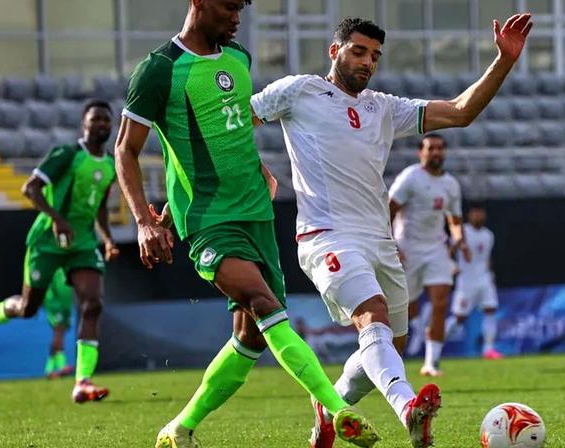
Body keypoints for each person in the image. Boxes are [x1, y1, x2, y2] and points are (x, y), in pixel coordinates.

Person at [250, 13, 532, 448]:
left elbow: (460, 112)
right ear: (335, 51)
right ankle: (408, 409)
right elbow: (234, 126)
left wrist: (504, 61)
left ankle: (330, 408)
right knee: (372, 316)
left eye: (375, 56)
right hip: (326, 234)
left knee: (390, 345)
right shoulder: (300, 90)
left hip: (380, 242)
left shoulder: (383, 107)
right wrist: (254, 169)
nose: (367, 63)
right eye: (359, 51)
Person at [114, 1, 379, 447]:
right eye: (228, 5)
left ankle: (179, 429)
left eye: (241, 8)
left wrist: (255, 163)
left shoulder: (238, 56)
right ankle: (337, 410)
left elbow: (229, 126)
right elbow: (125, 149)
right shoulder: (159, 70)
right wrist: (143, 219)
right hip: (209, 219)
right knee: (263, 301)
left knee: (251, 337)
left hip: (256, 212)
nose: (237, 16)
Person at [0, 100, 120, 403]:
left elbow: (101, 208)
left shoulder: (110, 164)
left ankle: (83, 382)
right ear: (84, 124)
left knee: (93, 304)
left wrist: (107, 239)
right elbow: (30, 188)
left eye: (107, 120)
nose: (102, 125)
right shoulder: (66, 155)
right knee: (29, 308)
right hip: (47, 240)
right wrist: (58, 220)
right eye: (95, 119)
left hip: (82, 243)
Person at [389, 134, 468, 377]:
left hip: (436, 249)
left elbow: (454, 219)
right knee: (401, 307)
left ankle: (431, 363)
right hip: (407, 249)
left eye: (439, 148)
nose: (435, 152)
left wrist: (458, 237)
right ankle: (391, 361)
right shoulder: (410, 177)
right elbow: (388, 211)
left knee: (440, 302)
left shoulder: (451, 184)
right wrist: (390, 245)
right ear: (420, 152)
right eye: (430, 148)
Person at [444, 203, 503, 359]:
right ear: (469, 215)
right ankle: (436, 340)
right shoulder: (462, 232)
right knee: (459, 318)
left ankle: (488, 349)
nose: (478, 216)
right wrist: (451, 266)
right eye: (475, 213)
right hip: (466, 281)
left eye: (481, 213)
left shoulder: (488, 235)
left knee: (490, 310)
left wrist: (491, 275)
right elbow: (449, 251)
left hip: (484, 280)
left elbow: (487, 257)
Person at [43, 268, 76, 379]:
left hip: (64, 305)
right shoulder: (56, 268)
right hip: (55, 304)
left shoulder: (66, 269)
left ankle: (49, 369)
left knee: (59, 332)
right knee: (59, 331)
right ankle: (61, 365)